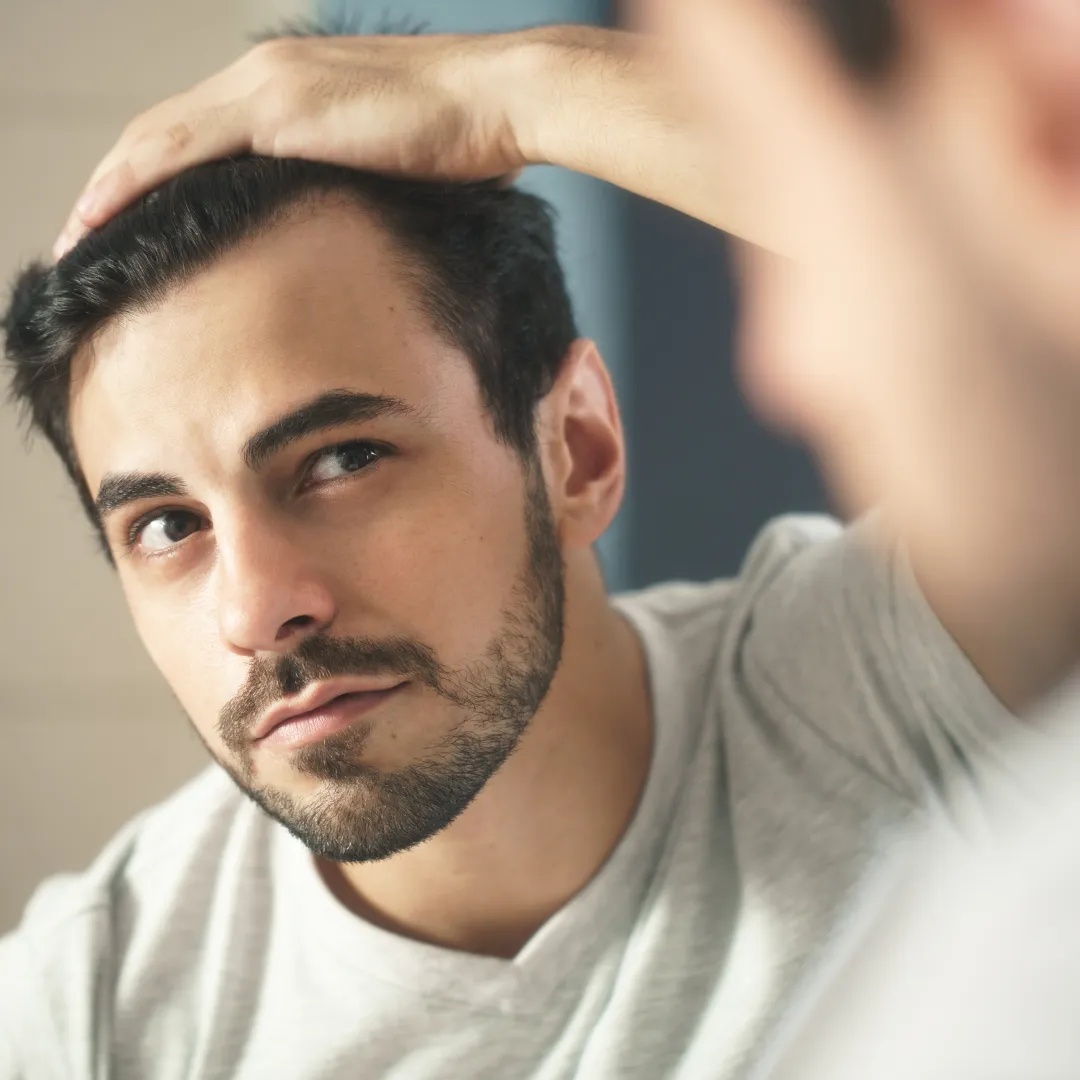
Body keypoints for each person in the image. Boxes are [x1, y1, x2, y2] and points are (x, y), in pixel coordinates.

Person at [4, 4, 1080, 1079]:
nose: (255, 610)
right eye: (167, 525)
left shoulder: (900, 684)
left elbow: (1029, 244)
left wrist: (504, 91)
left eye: (341, 460)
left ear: (578, 447)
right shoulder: (85, 1015)